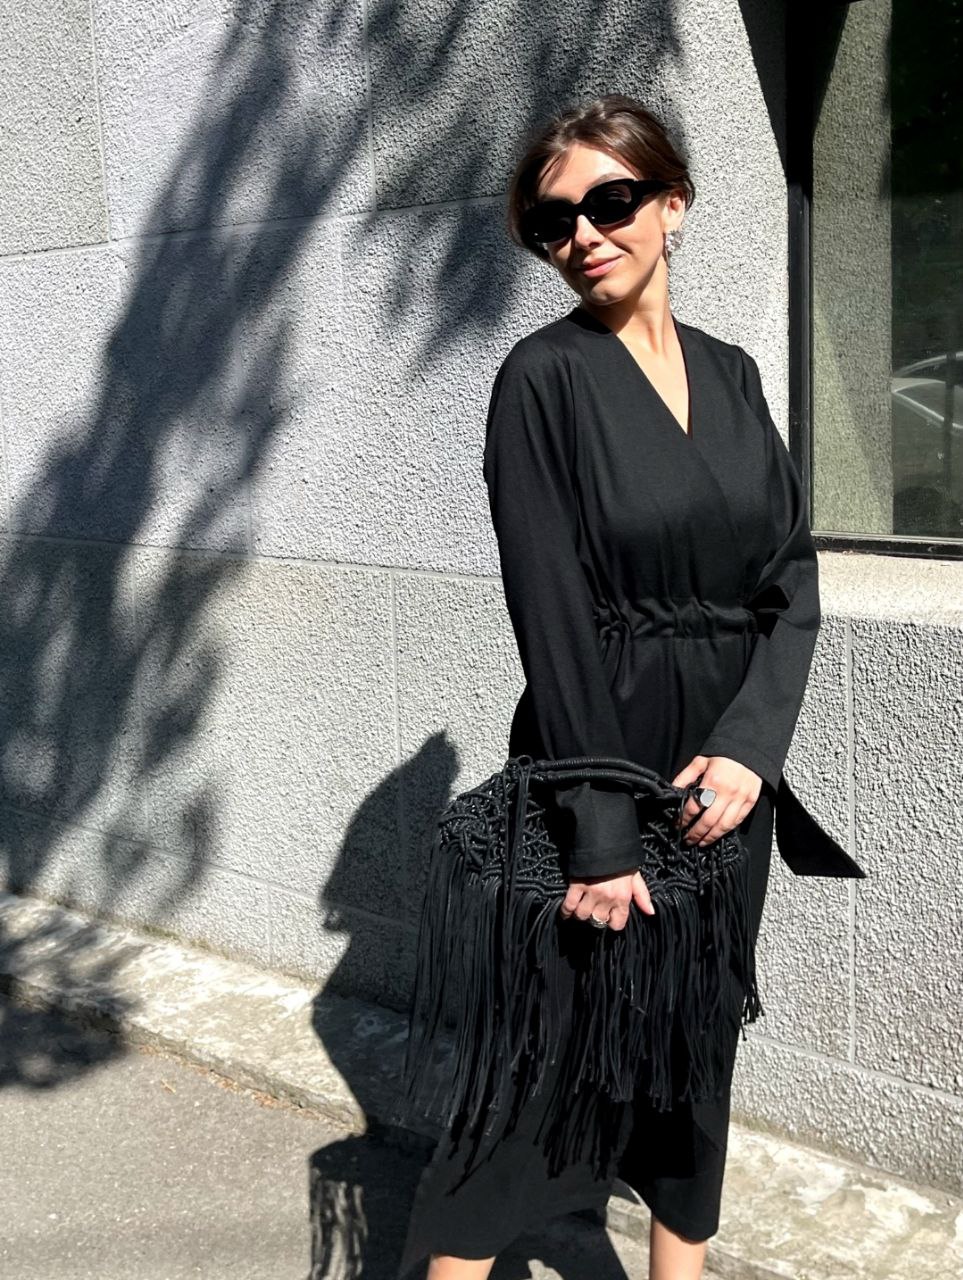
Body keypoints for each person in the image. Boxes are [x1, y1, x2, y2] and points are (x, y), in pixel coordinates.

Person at [397, 93, 862, 1280]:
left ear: (673, 204)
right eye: (553, 221)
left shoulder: (737, 375)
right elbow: (551, 619)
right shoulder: (541, 380)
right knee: (536, 1073)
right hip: (598, 766)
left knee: (695, 1056)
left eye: (611, 202)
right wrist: (601, 833)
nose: (584, 235)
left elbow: (791, 582)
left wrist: (753, 749)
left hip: (725, 780)